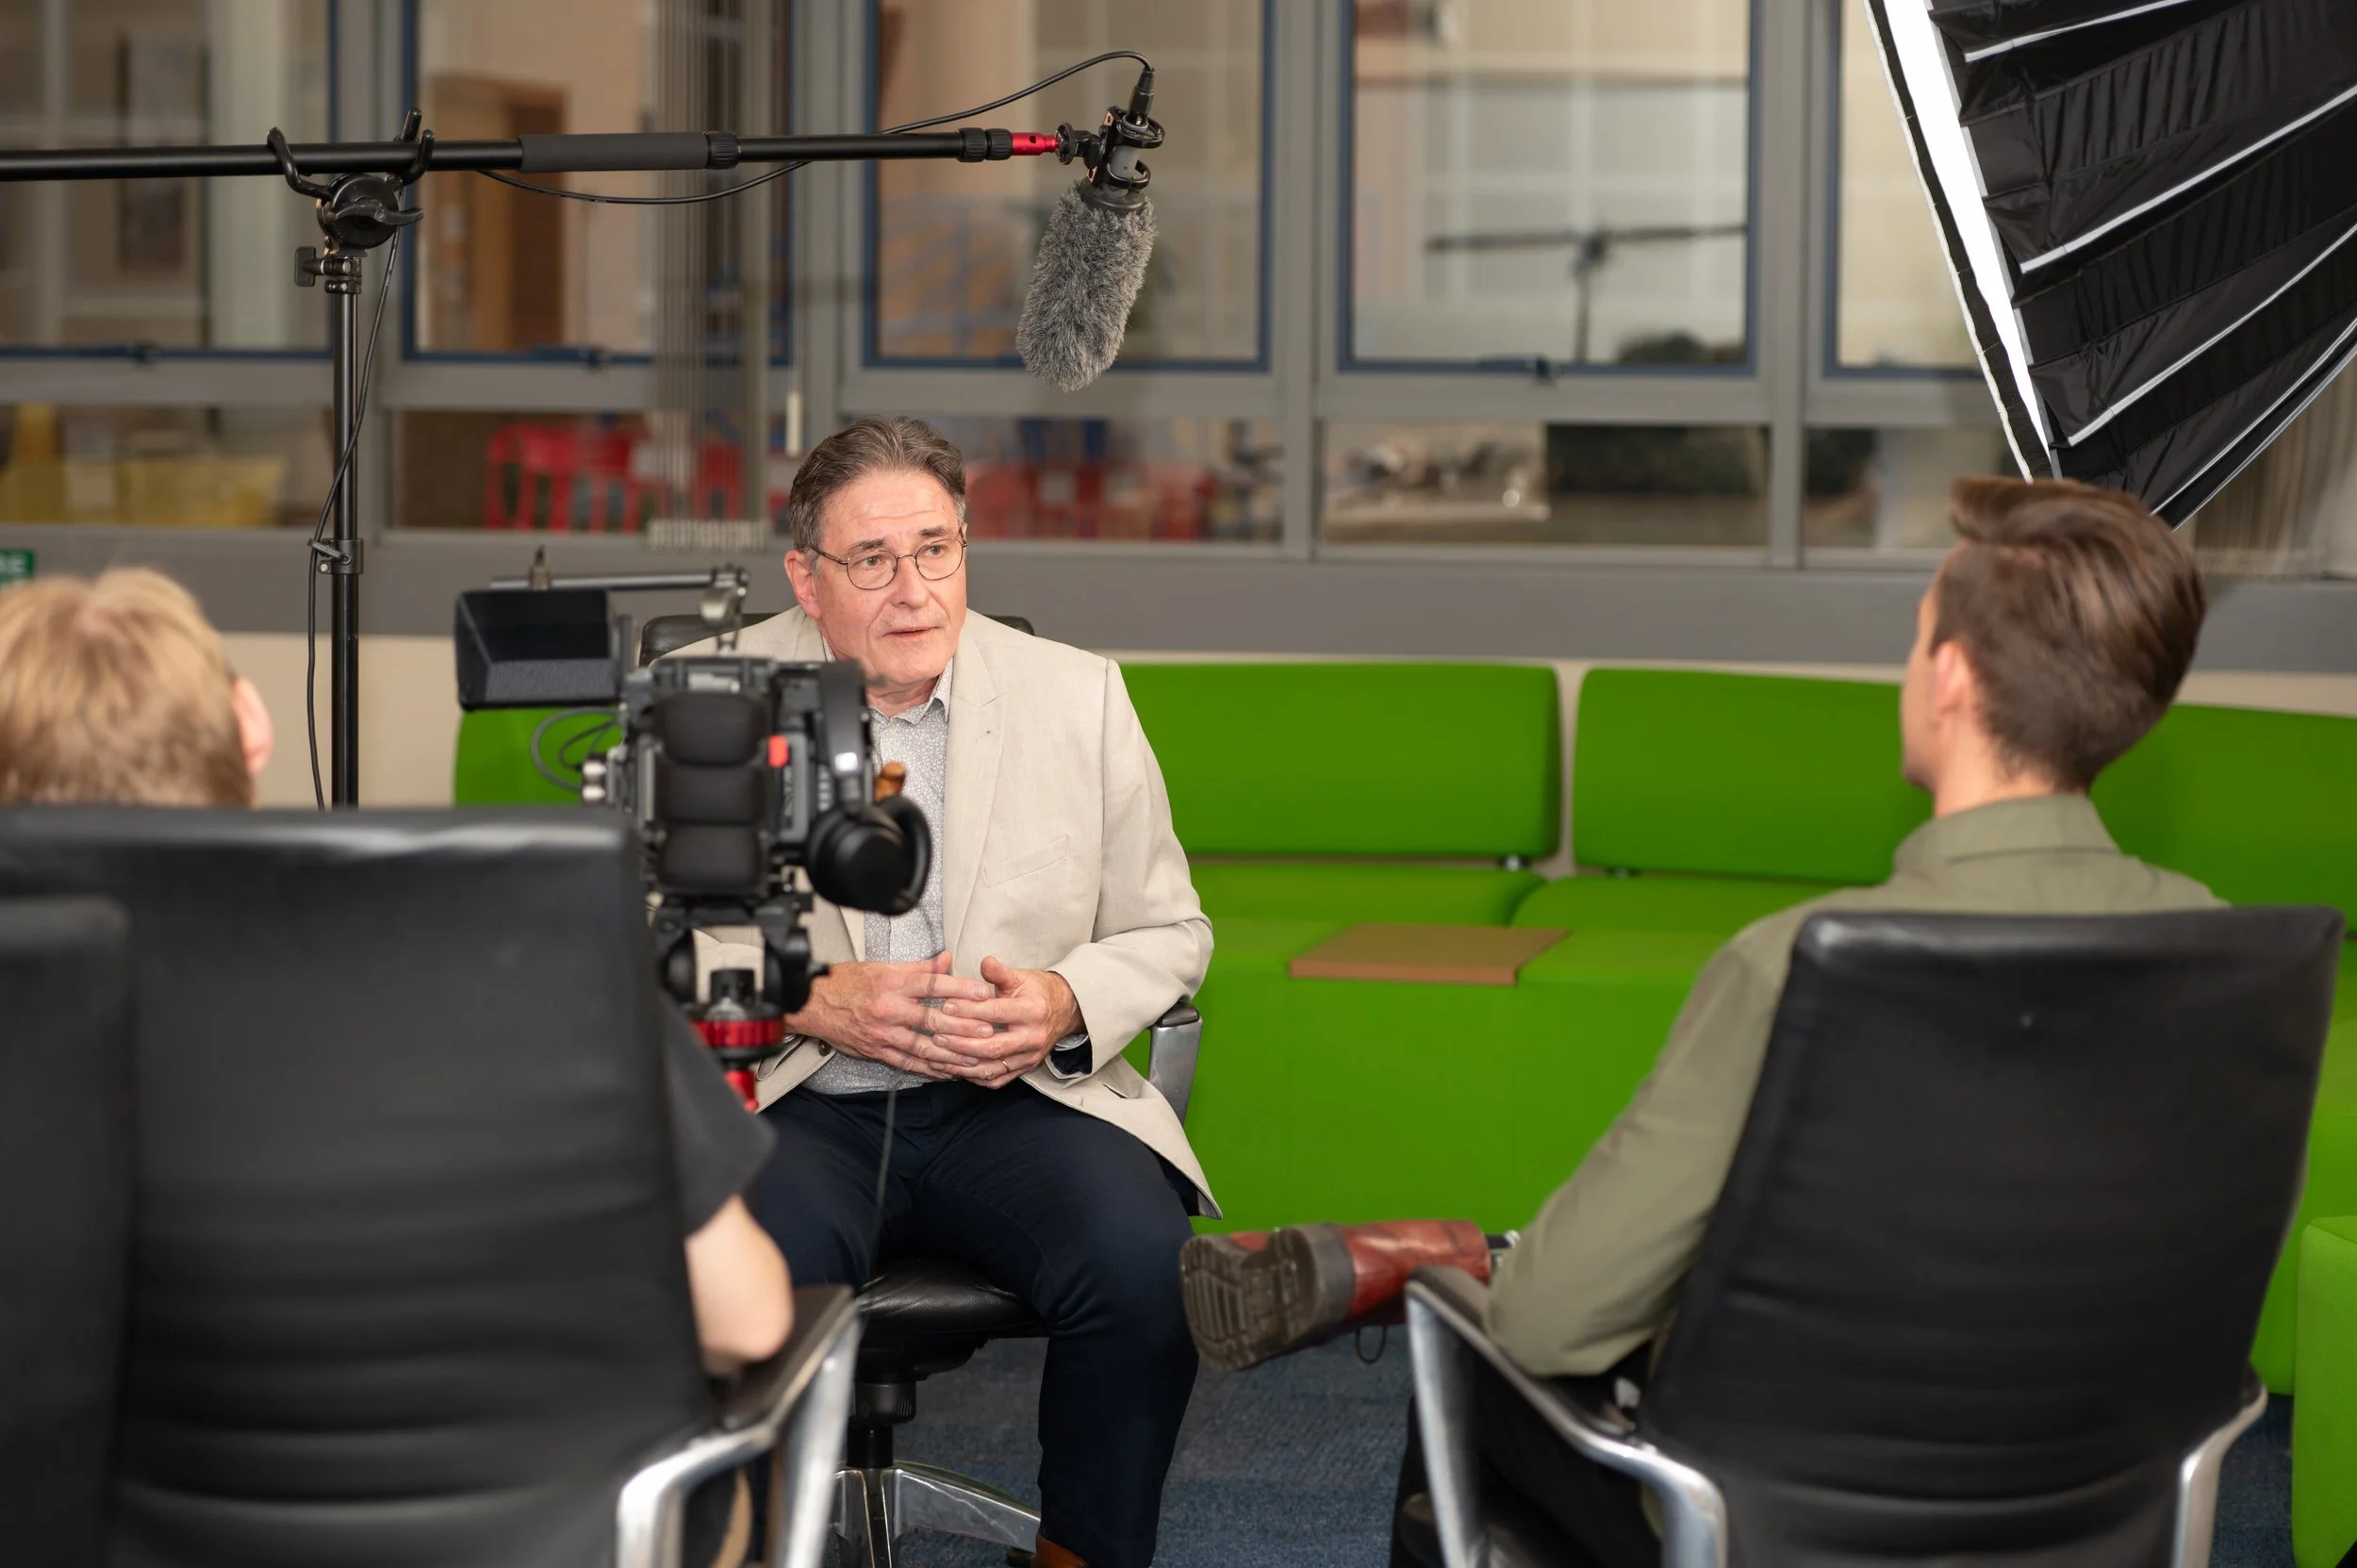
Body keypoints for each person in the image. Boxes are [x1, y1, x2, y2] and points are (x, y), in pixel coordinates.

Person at [1176, 477, 2217, 1568]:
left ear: (1950, 679)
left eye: (1916, 641)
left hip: (1794, 1518)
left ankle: (1454, 1255)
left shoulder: (1800, 967)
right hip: (2101, 1502)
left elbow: (1550, 1329)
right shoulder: (2222, 956)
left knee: (1482, 1348)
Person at [0, 567, 792, 1373]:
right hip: (525, 1485)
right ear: (252, 725)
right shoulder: (538, 950)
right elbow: (746, 1319)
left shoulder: (38, 1011)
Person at [681, 416, 1212, 1568]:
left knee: (1144, 1274)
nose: (913, 588)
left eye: (937, 549)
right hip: (797, 1098)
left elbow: (1173, 929)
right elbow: (639, 938)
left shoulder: (1078, 696)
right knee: (744, 1283)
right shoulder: (713, 694)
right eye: (871, 560)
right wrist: (809, 994)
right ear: (806, 578)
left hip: (1013, 1101)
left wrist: (1066, 999)